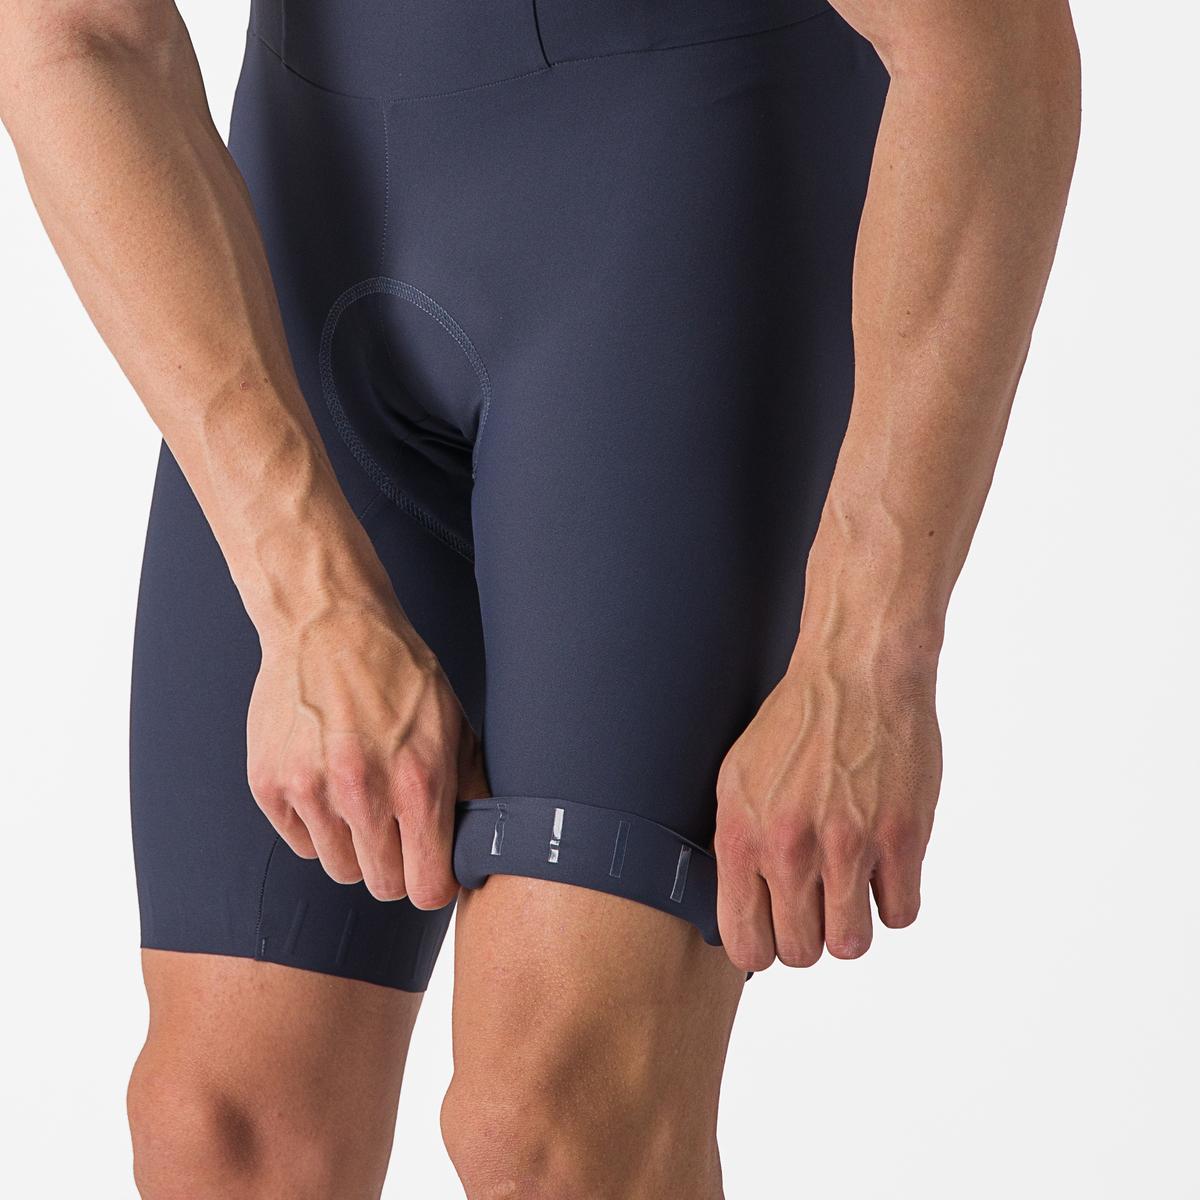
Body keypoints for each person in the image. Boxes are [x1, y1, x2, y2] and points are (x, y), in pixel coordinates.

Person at [0, 1, 1079, 1196]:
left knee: (554, 1137)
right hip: (313, 223)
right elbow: (72, 33)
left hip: (673, 224)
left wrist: (867, 651)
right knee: (221, 1134)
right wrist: (306, 599)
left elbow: (991, 48)